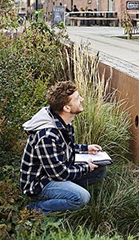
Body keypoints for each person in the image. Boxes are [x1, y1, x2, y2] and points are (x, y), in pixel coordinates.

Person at [20, 81, 107, 213]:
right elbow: (59, 174)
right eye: (78, 98)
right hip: (40, 183)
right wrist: (85, 167)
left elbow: (63, 147)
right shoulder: (47, 136)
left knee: (101, 168)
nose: (82, 99)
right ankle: (33, 210)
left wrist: (86, 148)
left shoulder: (62, 121)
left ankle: (67, 192)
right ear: (66, 108)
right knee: (82, 197)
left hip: (54, 172)